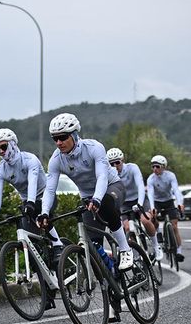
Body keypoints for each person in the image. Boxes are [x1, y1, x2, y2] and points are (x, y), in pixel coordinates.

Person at [37, 113, 134, 270]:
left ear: (75, 135)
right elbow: (50, 189)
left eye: (63, 137)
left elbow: (102, 177)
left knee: (106, 203)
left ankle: (125, 249)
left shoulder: (94, 148)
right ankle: (111, 274)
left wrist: (97, 199)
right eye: (55, 139)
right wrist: (44, 212)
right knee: (92, 246)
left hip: (112, 186)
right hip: (88, 197)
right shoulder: (56, 159)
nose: (59, 142)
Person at [0, 128, 63, 264]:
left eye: (4, 146)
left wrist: (31, 203)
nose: (1, 151)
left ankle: (58, 244)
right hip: (27, 200)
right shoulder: (0, 171)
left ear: (13, 144)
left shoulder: (30, 159)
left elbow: (32, 182)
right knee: (30, 245)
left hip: (45, 195)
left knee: (38, 210)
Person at [106, 147, 159, 260]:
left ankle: (156, 246)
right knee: (127, 228)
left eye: (117, 162)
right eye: (111, 164)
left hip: (139, 199)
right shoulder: (109, 174)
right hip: (124, 203)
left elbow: (140, 186)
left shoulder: (132, 168)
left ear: (122, 160)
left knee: (145, 220)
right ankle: (136, 253)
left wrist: (139, 203)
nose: (115, 166)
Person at [146, 154, 185, 264]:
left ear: (163, 167)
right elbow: (150, 194)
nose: (155, 169)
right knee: (152, 218)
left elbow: (176, 190)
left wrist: (180, 203)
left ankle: (179, 251)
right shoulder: (151, 179)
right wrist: (152, 208)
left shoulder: (170, 176)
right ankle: (158, 233)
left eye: (157, 166)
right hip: (157, 202)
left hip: (168, 201)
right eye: (153, 166)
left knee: (174, 226)